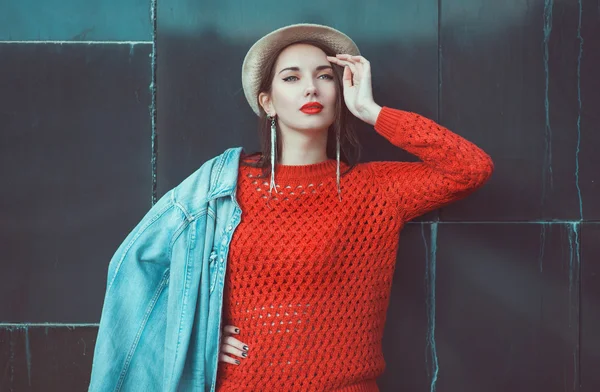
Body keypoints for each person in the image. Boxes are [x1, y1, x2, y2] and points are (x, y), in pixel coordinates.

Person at [212, 23, 494, 391]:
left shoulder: (375, 189)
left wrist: (371, 111)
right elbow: (158, 274)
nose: (311, 87)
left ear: (340, 90)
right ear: (267, 101)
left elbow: (471, 168)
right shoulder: (226, 184)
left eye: (324, 76)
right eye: (292, 78)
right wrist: (200, 333)